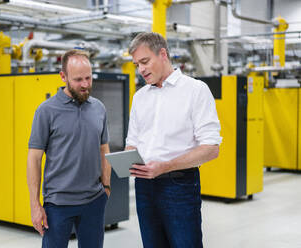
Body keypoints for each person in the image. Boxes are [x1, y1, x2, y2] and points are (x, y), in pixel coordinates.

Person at [125, 32, 222, 248]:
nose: (140, 69)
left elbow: (211, 148)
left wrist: (165, 166)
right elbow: (132, 141)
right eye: (136, 64)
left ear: (162, 54)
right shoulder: (140, 97)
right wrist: (128, 158)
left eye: (144, 61)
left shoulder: (195, 90)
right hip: (144, 185)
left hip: (179, 185)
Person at [27, 49, 111, 248]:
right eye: (78, 79)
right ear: (63, 76)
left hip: (94, 201)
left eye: (88, 78)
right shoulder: (46, 111)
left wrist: (106, 186)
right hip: (57, 204)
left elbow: (103, 148)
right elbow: (34, 159)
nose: (85, 85)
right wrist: (35, 205)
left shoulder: (99, 108)